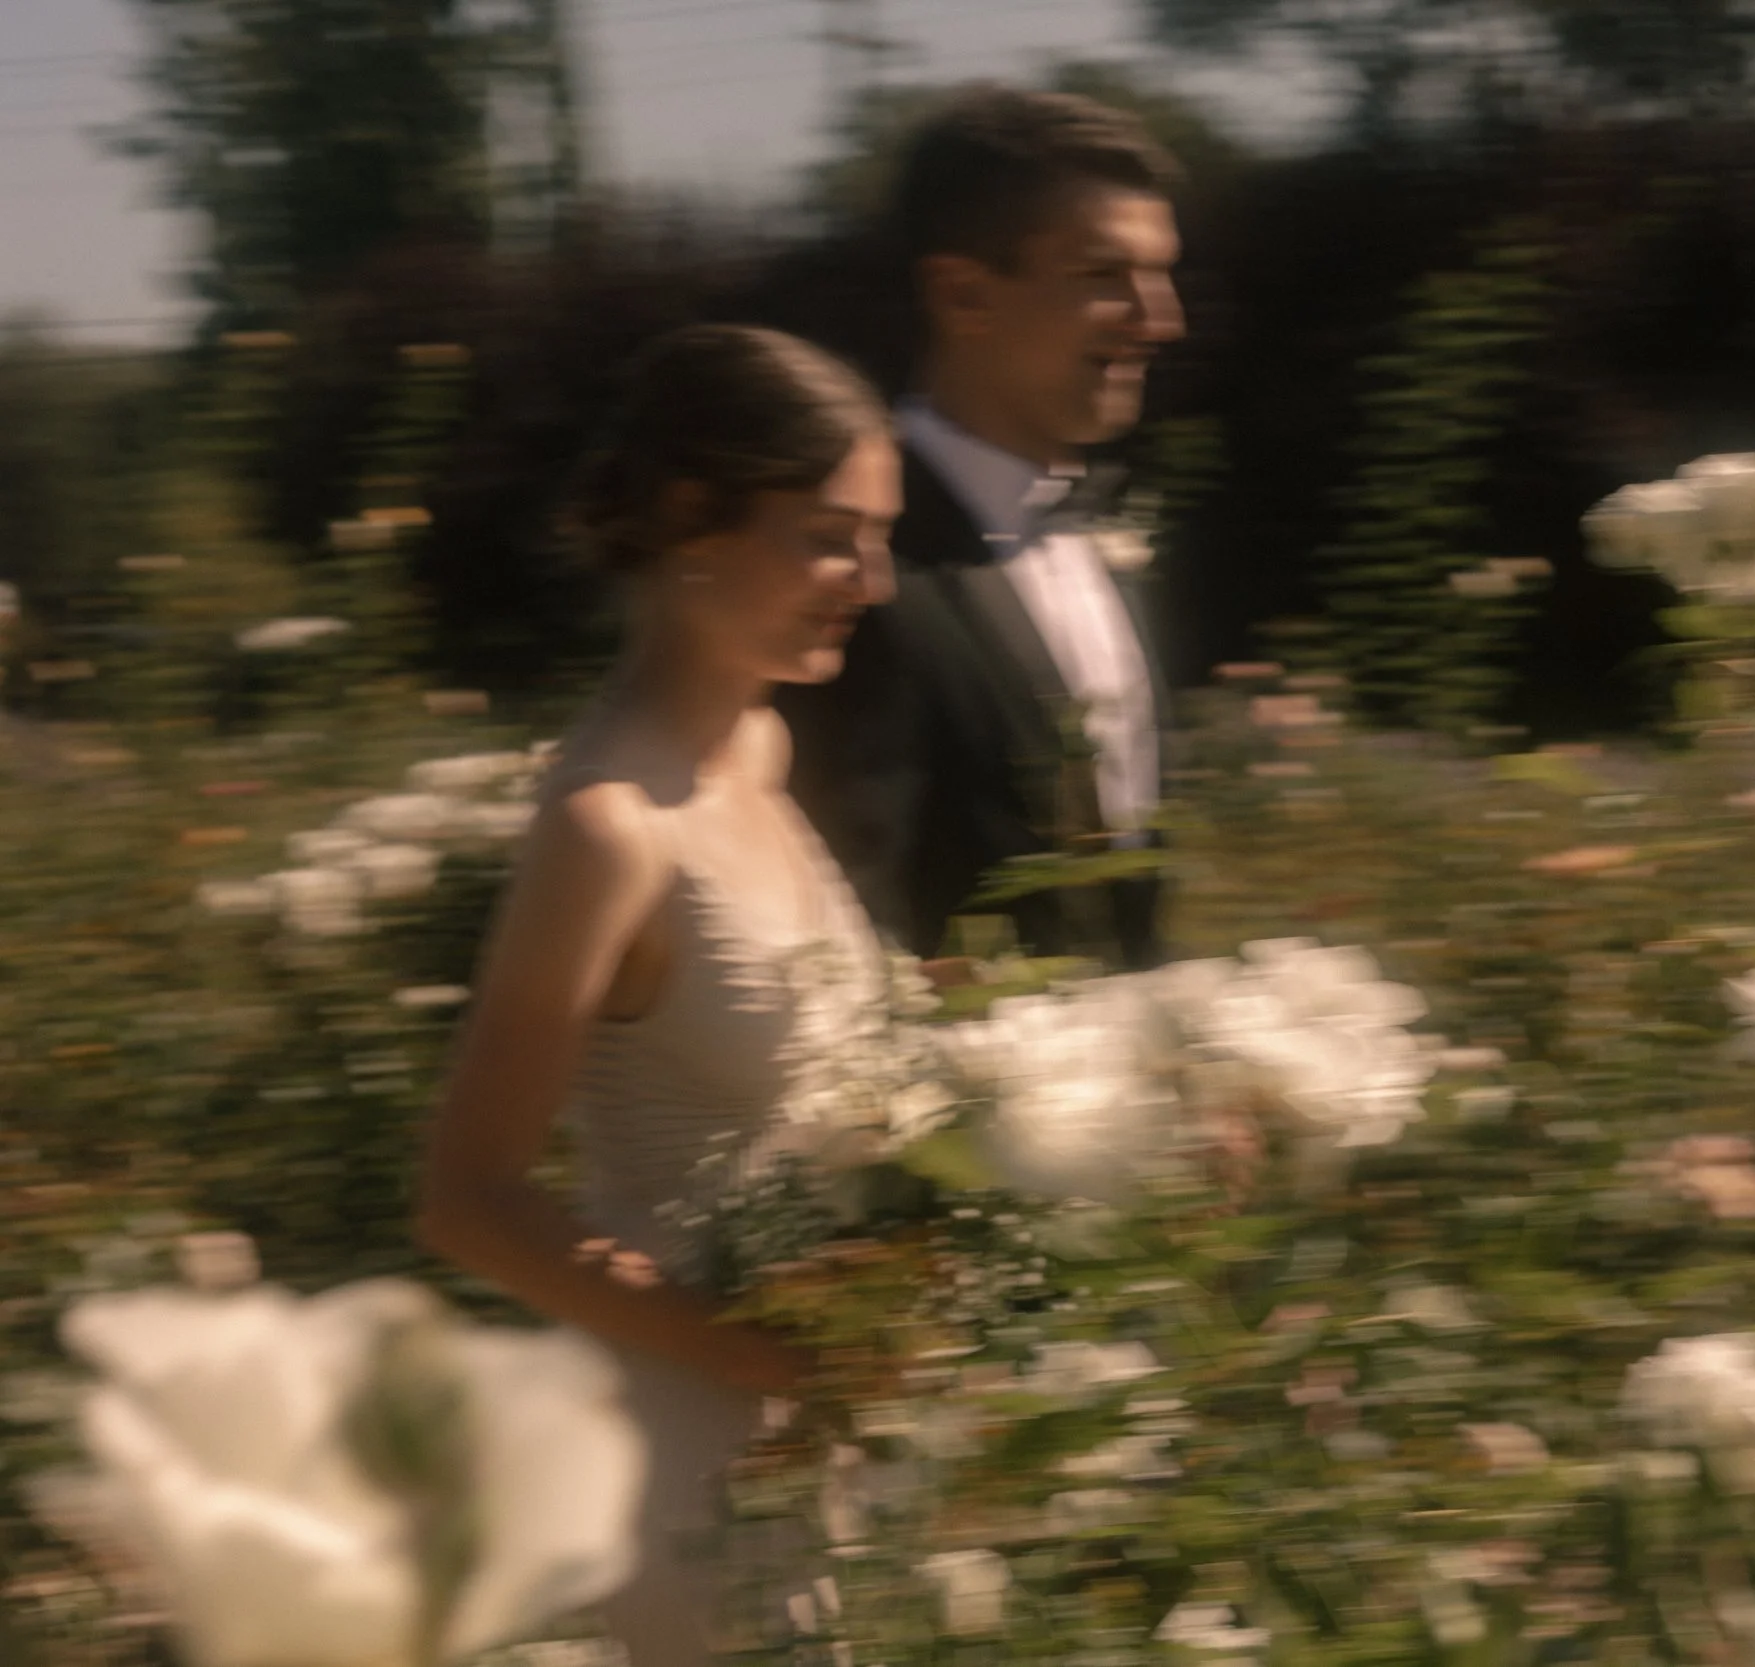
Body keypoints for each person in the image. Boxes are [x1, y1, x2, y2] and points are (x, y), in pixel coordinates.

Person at [416, 324, 899, 1666]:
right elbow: (467, 1198)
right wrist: (748, 1349)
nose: (872, 581)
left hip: (834, 1415)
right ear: (694, 517)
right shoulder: (608, 829)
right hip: (698, 1453)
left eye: (879, 540)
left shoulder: (759, 747)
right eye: (832, 539)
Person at [781, 86, 1186, 971]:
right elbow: (843, 919)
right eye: (1104, 276)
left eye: (1161, 276)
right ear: (964, 294)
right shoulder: (851, 569)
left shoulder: (1103, 536)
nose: (1161, 321)